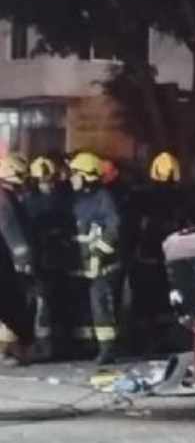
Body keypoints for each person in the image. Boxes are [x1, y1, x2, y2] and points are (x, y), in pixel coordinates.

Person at [127, 151, 186, 352]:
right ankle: (162, 339)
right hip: (167, 259)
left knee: (146, 304)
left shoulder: (140, 197)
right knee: (166, 303)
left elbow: (132, 228)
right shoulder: (182, 198)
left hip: (147, 259)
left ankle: (146, 341)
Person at [68, 151, 123, 365]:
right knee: (84, 307)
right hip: (82, 263)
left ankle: (107, 350)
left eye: (76, 174)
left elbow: (114, 228)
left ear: (88, 176)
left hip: (100, 264)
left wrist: (99, 252)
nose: (72, 178)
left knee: (101, 307)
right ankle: (86, 346)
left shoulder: (103, 198)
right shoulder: (78, 199)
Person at [23, 155, 76, 361]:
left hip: (59, 259)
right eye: (44, 180)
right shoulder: (28, 202)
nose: (48, 184)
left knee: (61, 302)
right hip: (40, 260)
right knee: (41, 304)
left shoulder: (62, 199)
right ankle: (42, 346)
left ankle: (60, 343)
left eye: (50, 179)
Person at [0, 153, 35, 366]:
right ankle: (11, 351)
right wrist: (25, 262)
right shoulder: (4, 199)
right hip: (5, 264)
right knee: (12, 305)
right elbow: (12, 233)